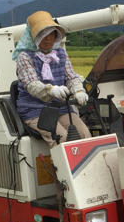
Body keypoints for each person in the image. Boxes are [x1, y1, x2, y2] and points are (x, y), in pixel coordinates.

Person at [13, 10, 91, 146]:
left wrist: (79, 90)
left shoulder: (61, 54)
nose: (48, 38)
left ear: (56, 34)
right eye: (42, 34)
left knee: (85, 135)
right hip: (35, 110)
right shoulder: (25, 57)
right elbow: (31, 84)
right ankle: (61, 167)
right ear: (34, 37)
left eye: (51, 33)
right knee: (62, 139)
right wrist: (51, 90)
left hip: (60, 107)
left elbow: (71, 77)